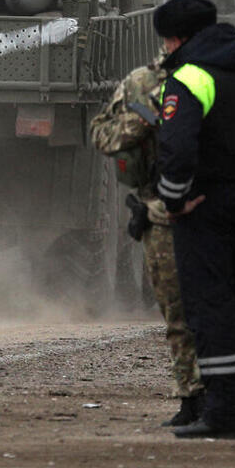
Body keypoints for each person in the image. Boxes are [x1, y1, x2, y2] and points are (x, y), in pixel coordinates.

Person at [152, 0, 235, 439]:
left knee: (210, 305)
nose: (165, 49)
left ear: (178, 38)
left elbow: (177, 148)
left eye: (167, 40)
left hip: (205, 204)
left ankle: (220, 414)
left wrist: (173, 200)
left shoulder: (189, 77)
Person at [89, 57, 202, 426]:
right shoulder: (142, 84)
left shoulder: (220, 81)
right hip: (161, 212)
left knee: (214, 310)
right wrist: (145, 117)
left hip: (214, 209)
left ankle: (222, 398)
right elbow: (102, 135)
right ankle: (192, 398)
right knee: (175, 311)